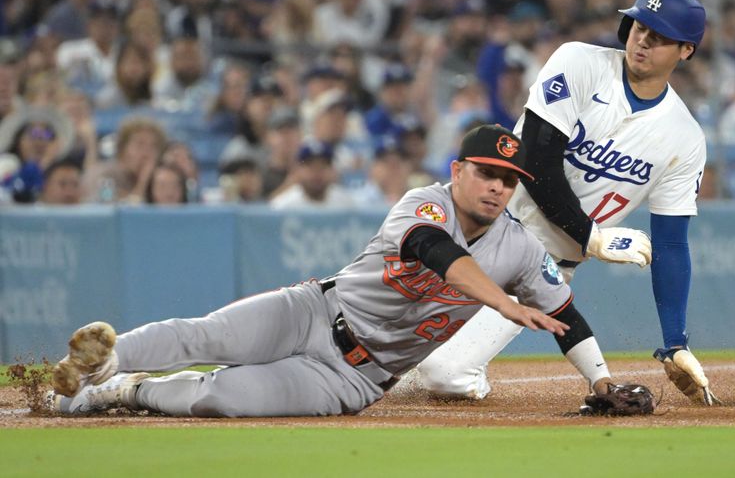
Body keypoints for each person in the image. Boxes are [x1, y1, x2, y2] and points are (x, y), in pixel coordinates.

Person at [47, 124, 612, 417]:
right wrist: (504, 303)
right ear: (457, 170)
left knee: (223, 398)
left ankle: (118, 392)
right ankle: (104, 359)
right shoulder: (424, 201)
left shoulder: (517, 247)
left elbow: (567, 315)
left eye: (509, 180)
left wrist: (602, 381)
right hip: (315, 311)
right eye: (487, 172)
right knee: (208, 334)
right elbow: (436, 252)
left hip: (352, 379)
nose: (498, 186)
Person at [415, 0, 721, 406]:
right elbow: (538, 160)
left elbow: (670, 242)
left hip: (533, 269)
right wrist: (592, 236)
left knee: (441, 374)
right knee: (372, 347)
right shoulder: (579, 61)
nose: (643, 40)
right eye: (639, 26)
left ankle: (468, 373)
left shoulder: (684, 138)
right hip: (471, 230)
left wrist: (675, 340)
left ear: (686, 50)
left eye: (660, 35)